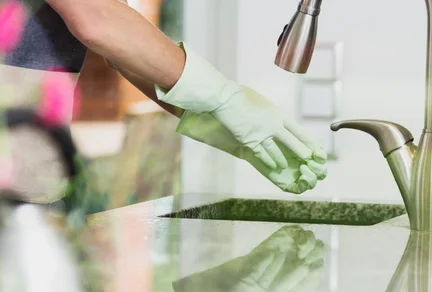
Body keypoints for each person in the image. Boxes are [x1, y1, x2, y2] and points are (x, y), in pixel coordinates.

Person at [2, 0, 327, 197]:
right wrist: (223, 97)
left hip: (30, 149)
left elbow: (117, 38)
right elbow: (96, 16)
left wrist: (217, 123)